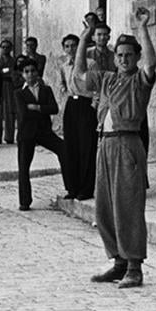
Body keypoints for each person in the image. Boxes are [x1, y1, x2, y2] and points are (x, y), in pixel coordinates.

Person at [75, 7, 156, 290]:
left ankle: (135, 266)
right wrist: (86, 36)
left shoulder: (140, 80)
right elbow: (79, 75)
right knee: (105, 208)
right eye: (120, 55)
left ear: (135, 57)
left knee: (128, 207)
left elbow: (151, 63)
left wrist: (143, 30)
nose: (124, 59)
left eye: (129, 55)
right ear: (115, 58)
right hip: (105, 144)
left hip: (127, 144)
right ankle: (119, 261)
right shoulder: (108, 79)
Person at [14, 58, 64, 211]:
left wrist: (36, 107)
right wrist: (43, 109)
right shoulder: (19, 93)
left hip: (44, 131)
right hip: (26, 133)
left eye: (33, 71)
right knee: (23, 167)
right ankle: (24, 201)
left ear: (37, 73)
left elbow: (54, 108)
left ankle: (71, 187)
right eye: (27, 72)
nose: (30, 74)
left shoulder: (46, 90)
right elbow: (22, 114)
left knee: (64, 150)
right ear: (22, 75)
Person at [56, 33, 94, 200]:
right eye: (67, 46)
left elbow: (96, 87)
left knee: (86, 146)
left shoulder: (91, 64)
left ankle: (85, 189)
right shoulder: (63, 66)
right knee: (71, 146)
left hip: (86, 104)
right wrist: (66, 101)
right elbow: (61, 85)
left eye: (74, 45)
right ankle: (72, 187)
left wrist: (94, 106)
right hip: (71, 105)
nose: (71, 49)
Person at [0, 40, 21, 144]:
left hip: (11, 87)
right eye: (3, 47)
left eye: (7, 47)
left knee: (10, 111)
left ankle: (9, 136)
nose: (5, 49)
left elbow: (15, 72)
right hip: (0, 86)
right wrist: (6, 71)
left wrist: (7, 72)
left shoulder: (14, 61)